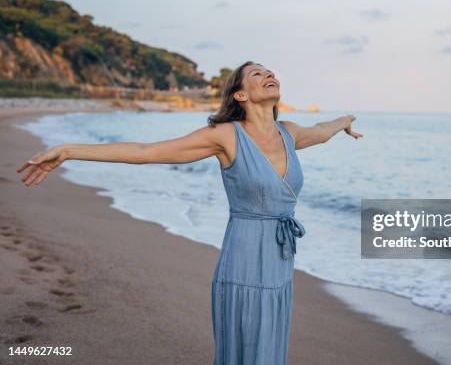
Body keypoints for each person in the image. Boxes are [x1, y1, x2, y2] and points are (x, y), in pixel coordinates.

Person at [16, 60, 363, 364]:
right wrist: (69, 151)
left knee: (270, 345)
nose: (268, 73)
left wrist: (345, 120)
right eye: (257, 73)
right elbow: (146, 151)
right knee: (242, 349)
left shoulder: (290, 133)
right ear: (240, 95)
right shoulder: (226, 136)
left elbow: (323, 130)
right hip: (243, 260)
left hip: (279, 262)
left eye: (269, 70)